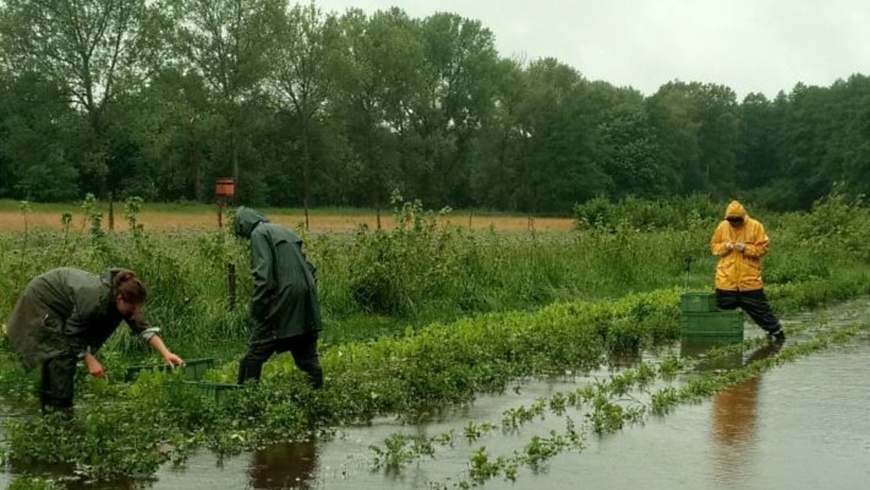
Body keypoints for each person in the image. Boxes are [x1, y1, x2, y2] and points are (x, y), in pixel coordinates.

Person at [4, 268, 185, 412]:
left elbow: (142, 327)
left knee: (60, 354)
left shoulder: (122, 299)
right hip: (42, 299)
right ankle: (61, 412)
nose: (134, 313)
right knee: (62, 354)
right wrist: (91, 361)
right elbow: (72, 334)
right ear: (120, 299)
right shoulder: (95, 300)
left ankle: (50, 407)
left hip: (61, 303)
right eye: (132, 308)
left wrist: (166, 353)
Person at [232, 206, 323, 388]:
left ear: (243, 227)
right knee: (306, 354)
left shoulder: (259, 234)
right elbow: (310, 268)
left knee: (255, 353)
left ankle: (244, 398)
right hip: (306, 297)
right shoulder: (284, 230)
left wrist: (257, 309)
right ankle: (318, 394)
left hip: (283, 299)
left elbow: (263, 278)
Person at [710, 200, 785, 342]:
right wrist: (725, 246)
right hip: (726, 280)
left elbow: (763, 248)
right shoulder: (722, 226)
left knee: (762, 312)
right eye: (731, 220)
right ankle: (724, 341)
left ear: (743, 218)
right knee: (723, 315)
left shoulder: (756, 226)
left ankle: (778, 334)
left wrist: (745, 248)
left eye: (737, 220)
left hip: (749, 280)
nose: (734, 223)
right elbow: (714, 247)